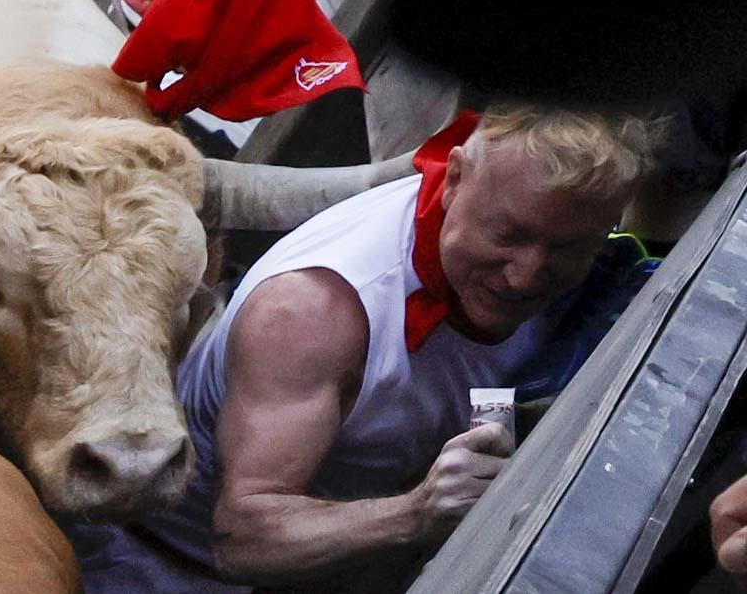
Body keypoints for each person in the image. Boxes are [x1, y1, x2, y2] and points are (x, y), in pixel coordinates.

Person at [65, 104, 664, 592]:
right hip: (158, 568)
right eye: (510, 235)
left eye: (569, 248)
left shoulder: (579, 270)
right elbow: (243, 538)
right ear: (453, 179)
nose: (527, 277)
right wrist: (418, 512)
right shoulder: (312, 311)